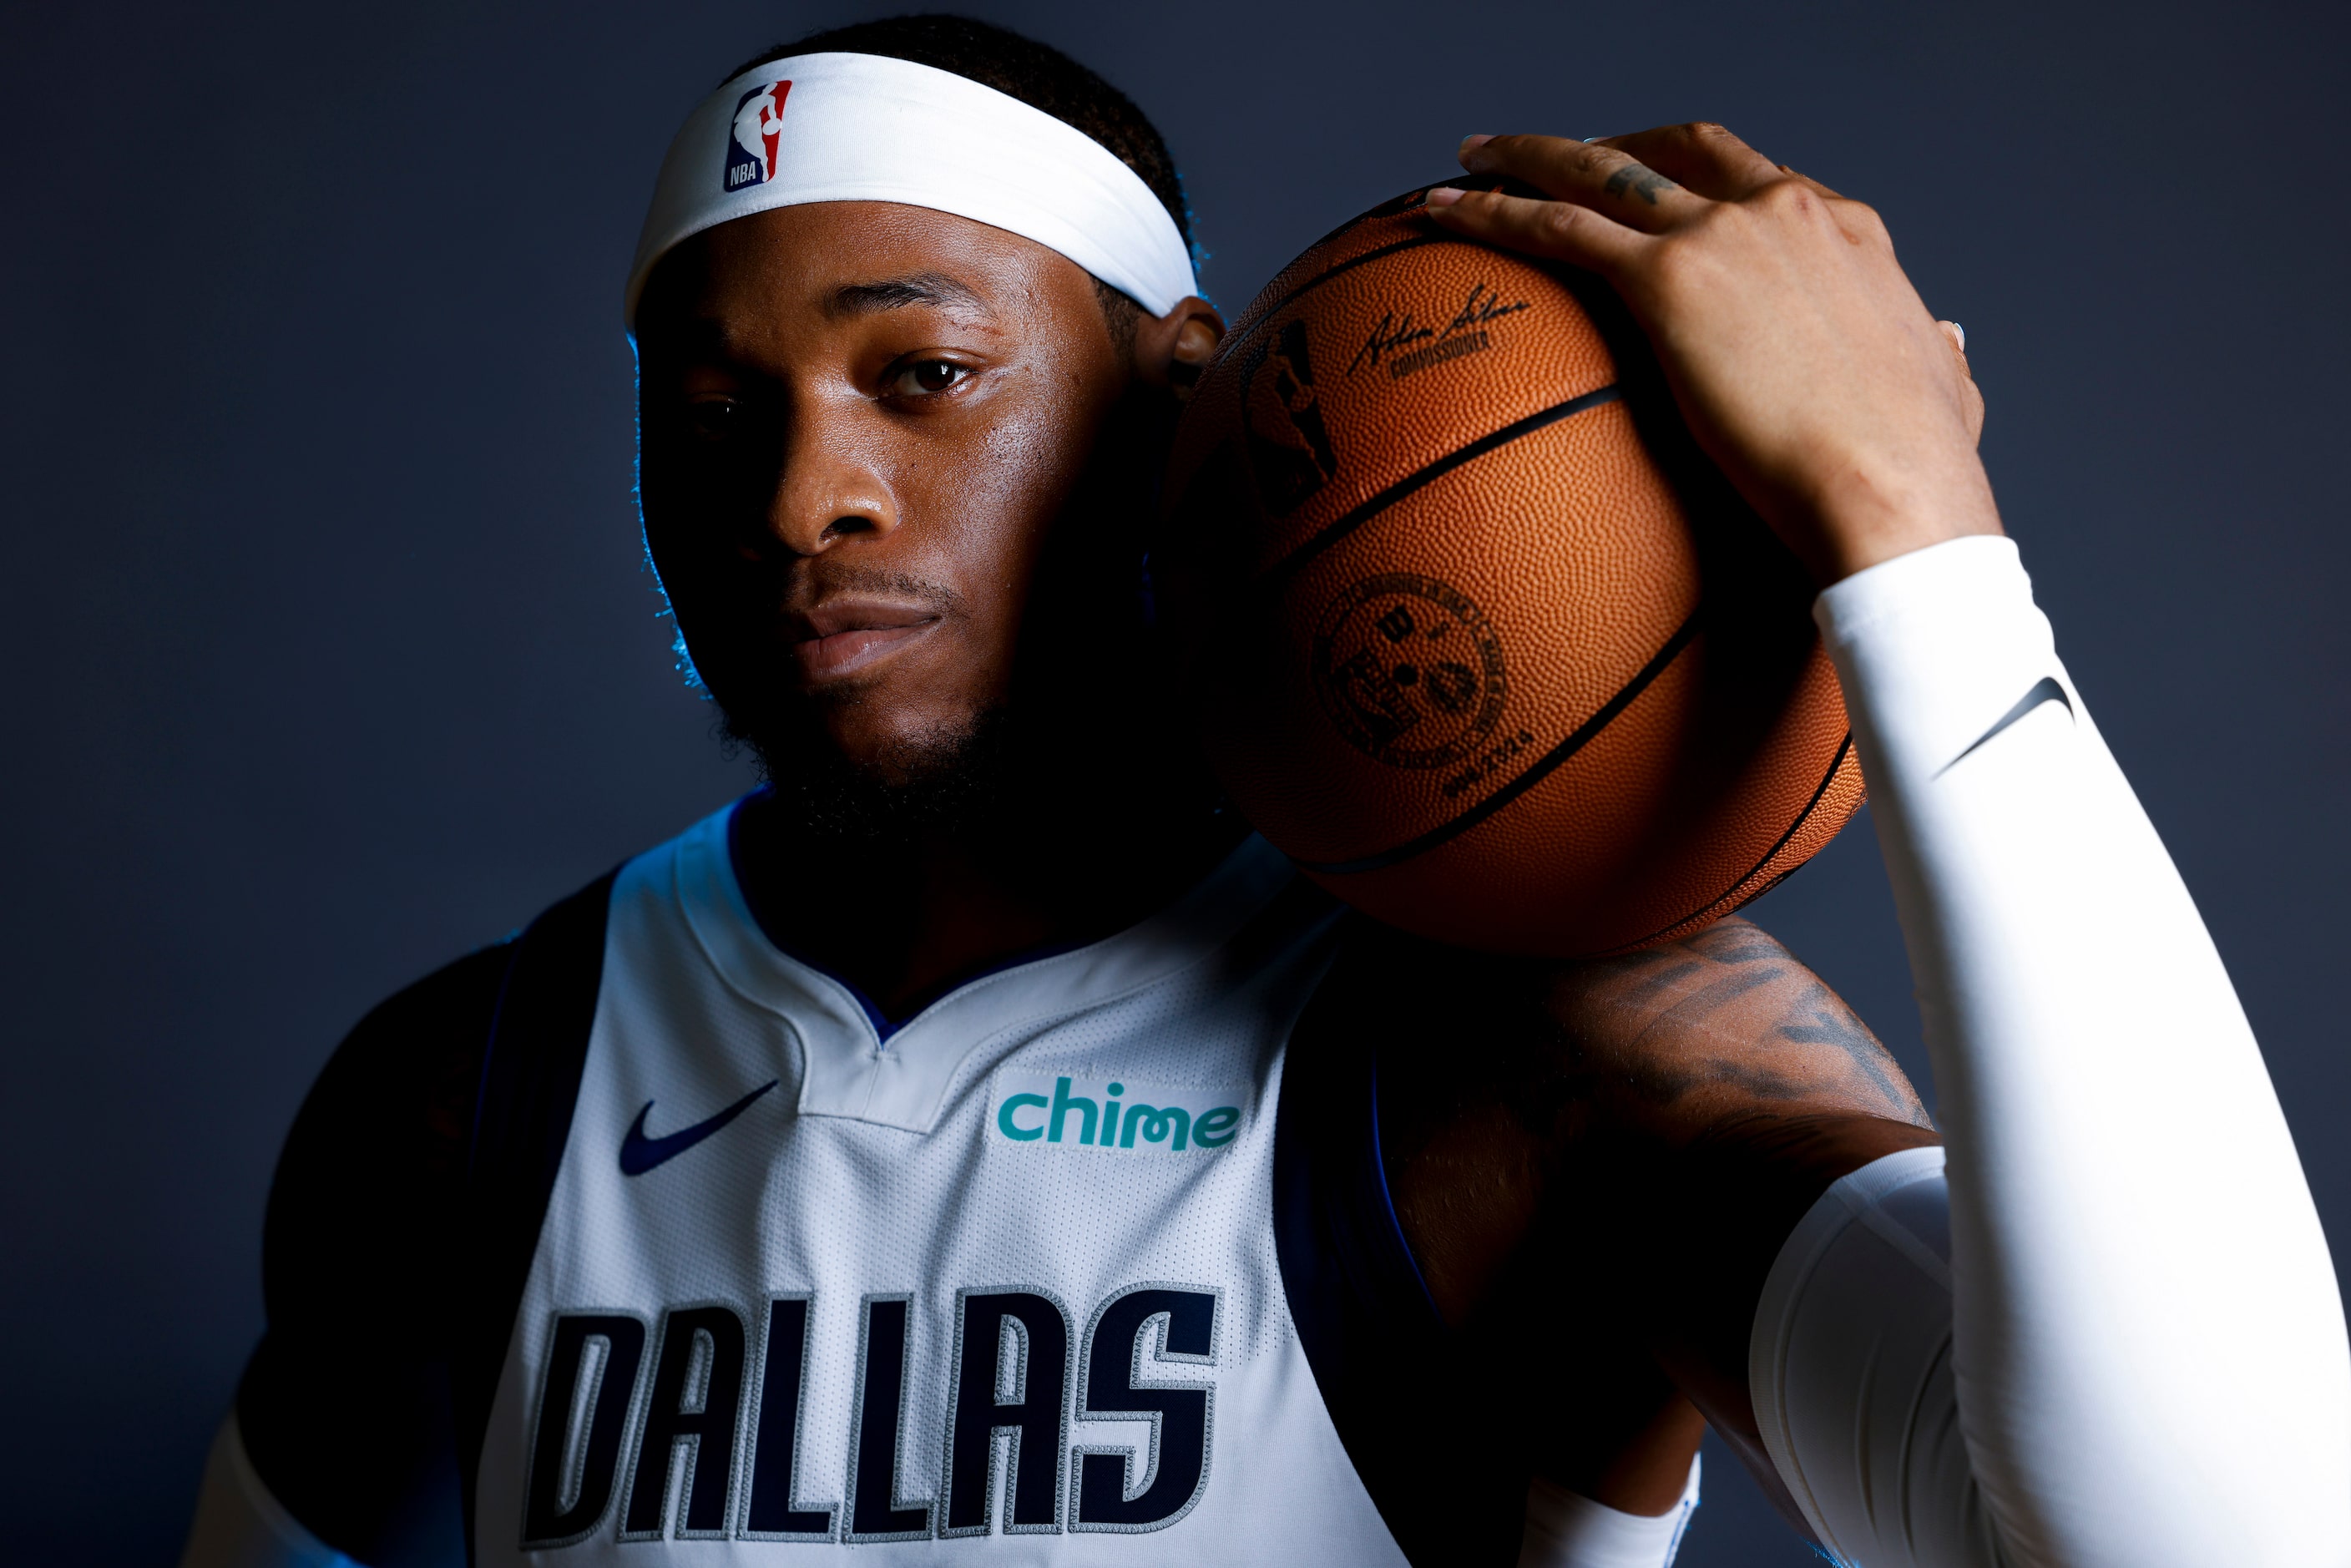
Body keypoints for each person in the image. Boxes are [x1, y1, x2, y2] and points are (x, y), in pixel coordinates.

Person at [177, 15, 2350, 1567]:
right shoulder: (472, 1091)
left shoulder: (1532, 1064)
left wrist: (1916, 539)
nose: (804, 496)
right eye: (717, 408)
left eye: (922, 377)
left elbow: (2215, 1544)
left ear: (1177, 394)